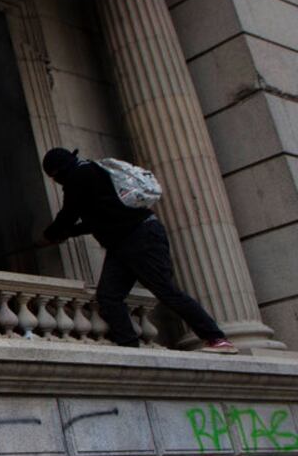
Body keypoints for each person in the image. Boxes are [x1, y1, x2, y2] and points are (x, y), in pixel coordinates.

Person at [40, 147, 238, 354]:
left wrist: (48, 236)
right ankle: (131, 349)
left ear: (58, 172)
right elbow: (99, 219)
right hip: (125, 242)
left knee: (165, 290)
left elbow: (68, 215)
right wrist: (65, 233)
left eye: (54, 177)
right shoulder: (94, 171)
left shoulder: (78, 178)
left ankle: (216, 338)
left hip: (139, 238)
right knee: (109, 296)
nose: (56, 182)